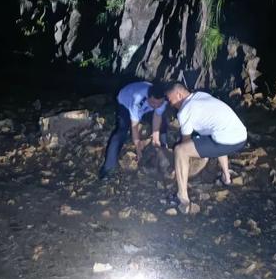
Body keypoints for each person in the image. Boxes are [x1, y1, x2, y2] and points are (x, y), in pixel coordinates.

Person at [165, 82, 247, 214]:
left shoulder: (185, 110)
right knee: (215, 133)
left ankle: (182, 197)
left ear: (178, 95)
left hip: (226, 141)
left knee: (180, 150)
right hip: (241, 137)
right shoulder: (200, 95)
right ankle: (226, 177)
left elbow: (185, 143)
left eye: (170, 100)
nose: (170, 104)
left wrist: (177, 164)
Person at [99, 81, 168, 179]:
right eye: (154, 102)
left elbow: (157, 116)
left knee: (163, 122)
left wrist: (156, 139)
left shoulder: (162, 100)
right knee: (121, 132)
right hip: (125, 101)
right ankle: (108, 167)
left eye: (159, 103)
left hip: (146, 106)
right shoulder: (138, 100)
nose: (156, 106)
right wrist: (137, 146)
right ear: (148, 97)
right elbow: (134, 125)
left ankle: (165, 147)